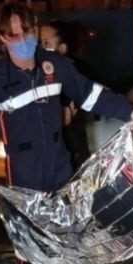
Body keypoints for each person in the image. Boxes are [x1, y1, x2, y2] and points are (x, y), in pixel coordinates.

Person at [0, 2, 133, 264]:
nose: (22, 40)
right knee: (30, 239)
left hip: (60, 163)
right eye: (14, 35)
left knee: (75, 229)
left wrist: (128, 111)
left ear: (35, 30)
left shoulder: (55, 65)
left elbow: (90, 94)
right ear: (2, 37)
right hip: (21, 170)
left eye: (27, 32)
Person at [40, 20, 91, 170]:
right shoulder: (41, 74)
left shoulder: (73, 74)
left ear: (62, 48)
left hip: (70, 156)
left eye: (46, 43)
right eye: (39, 43)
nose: (40, 49)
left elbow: (65, 117)